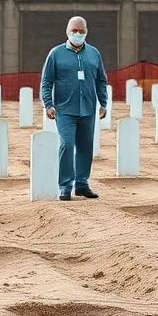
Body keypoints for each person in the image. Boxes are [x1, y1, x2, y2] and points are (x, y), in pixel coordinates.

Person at [41, 16, 108, 201]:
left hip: (88, 109)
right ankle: (65, 186)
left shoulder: (94, 54)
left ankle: (82, 184)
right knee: (67, 145)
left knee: (86, 148)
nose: (78, 34)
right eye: (74, 31)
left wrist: (103, 103)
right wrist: (48, 104)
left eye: (81, 31)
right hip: (65, 110)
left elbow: (101, 80)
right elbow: (46, 81)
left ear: (87, 32)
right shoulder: (56, 54)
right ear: (67, 32)